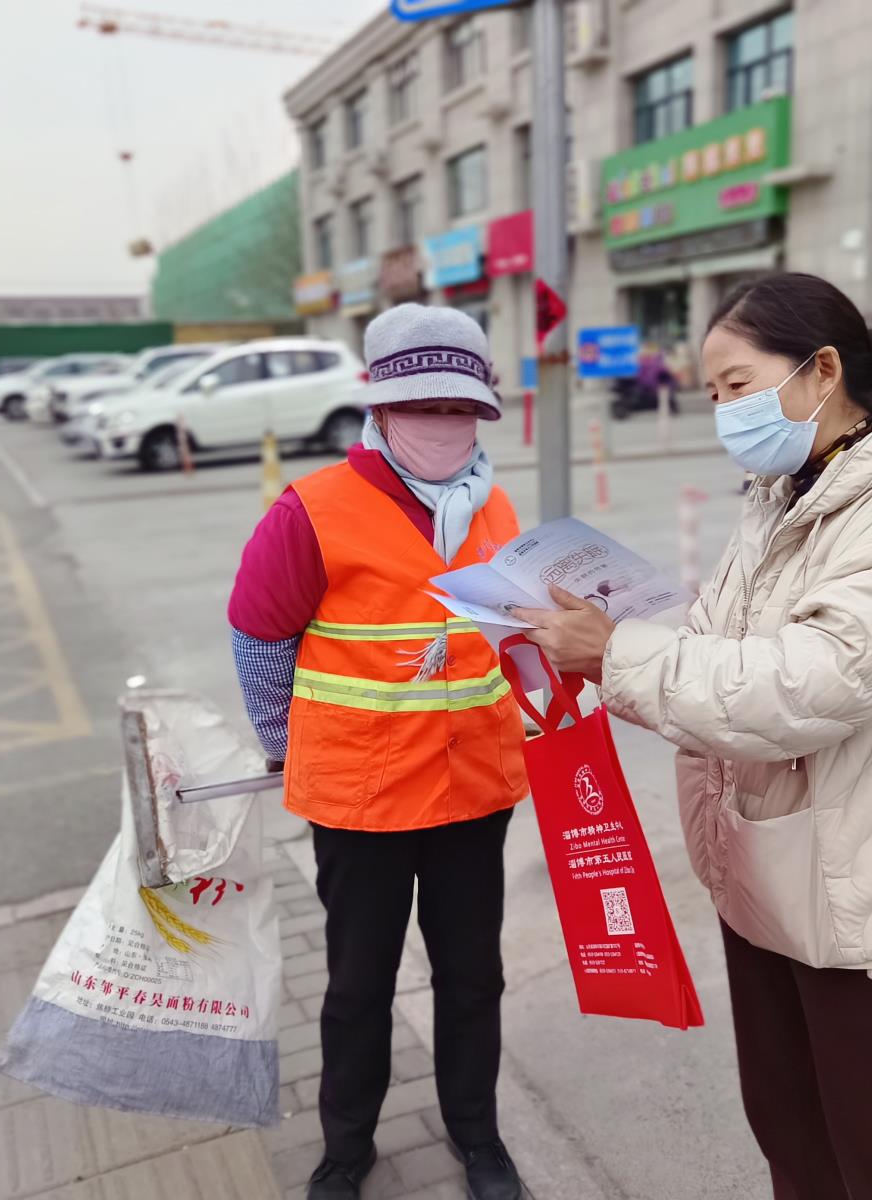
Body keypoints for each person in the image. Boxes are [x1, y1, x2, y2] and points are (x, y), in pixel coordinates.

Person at [514, 272, 872, 1199]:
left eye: (737, 384)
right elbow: (720, 642)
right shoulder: (781, 496)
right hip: (768, 873)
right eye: (711, 393)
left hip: (869, 900)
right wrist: (606, 634)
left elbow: (815, 683)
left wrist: (617, 654)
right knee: (793, 1135)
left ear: (822, 371)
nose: (723, 411)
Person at [229, 304, 528, 1200]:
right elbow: (258, 636)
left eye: (459, 407)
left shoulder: (494, 504)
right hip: (362, 800)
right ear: (383, 408)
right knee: (359, 986)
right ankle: (346, 1148)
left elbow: (508, 632)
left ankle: (477, 1135)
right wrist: (285, 744)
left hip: (473, 789)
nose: (444, 423)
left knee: (473, 978)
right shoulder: (312, 510)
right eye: (424, 405)